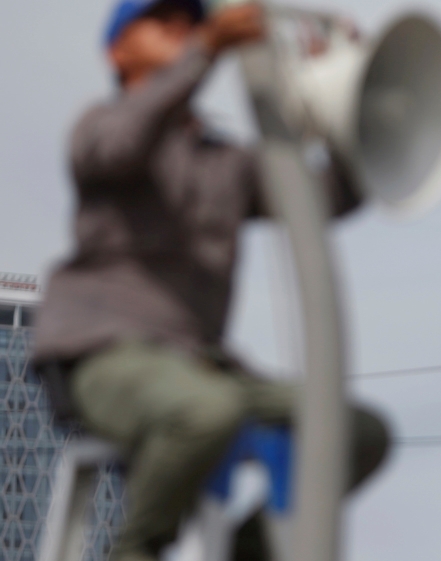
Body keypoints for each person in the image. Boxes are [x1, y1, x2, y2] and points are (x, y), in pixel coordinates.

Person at [32, 2, 386, 561]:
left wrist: (344, 99)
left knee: (356, 432)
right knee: (207, 411)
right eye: (159, 19)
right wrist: (204, 52)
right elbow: (122, 146)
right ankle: (136, 550)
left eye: (189, 21)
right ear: (116, 52)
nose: (181, 28)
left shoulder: (223, 161)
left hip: (198, 366)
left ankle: (246, 553)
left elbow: (323, 201)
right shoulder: (98, 126)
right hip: (102, 354)